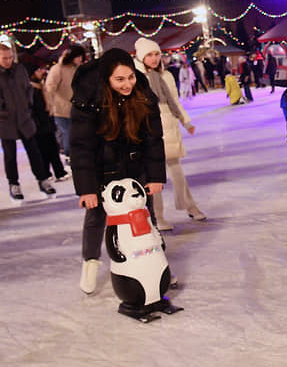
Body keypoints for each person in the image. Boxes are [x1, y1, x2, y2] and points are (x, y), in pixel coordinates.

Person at [70, 48, 167, 294]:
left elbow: (154, 137)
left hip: (135, 163)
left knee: (146, 213)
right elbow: (81, 146)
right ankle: (90, 263)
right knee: (96, 217)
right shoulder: (88, 97)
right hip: (102, 168)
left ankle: (158, 262)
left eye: (130, 77)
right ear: (107, 79)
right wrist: (87, 189)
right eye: (120, 80)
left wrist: (155, 176)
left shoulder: (142, 92)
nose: (127, 84)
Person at [134, 38, 206, 231]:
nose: (154, 58)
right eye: (149, 55)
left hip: (170, 127)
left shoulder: (165, 75)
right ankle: (157, 216)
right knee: (154, 178)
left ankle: (190, 206)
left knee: (178, 173)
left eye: (157, 54)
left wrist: (185, 121)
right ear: (141, 57)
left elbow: (174, 100)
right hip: (149, 129)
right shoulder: (136, 77)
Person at [0, 43, 56, 201]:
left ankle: (43, 179)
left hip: (24, 118)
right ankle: (14, 184)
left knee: (34, 151)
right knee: (10, 155)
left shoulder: (19, 69)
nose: (8, 61)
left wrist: (28, 104)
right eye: (4, 58)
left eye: (10, 57)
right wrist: (3, 111)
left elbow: (28, 88)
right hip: (5, 121)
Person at [28, 62, 69, 182]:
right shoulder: (31, 88)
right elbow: (33, 108)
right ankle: (47, 173)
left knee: (52, 148)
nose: (42, 72)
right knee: (43, 150)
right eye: (38, 70)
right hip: (38, 125)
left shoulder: (41, 85)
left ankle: (58, 172)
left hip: (47, 122)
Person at [44, 44, 85, 160]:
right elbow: (49, 87)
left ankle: (77, 155)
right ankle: (69, 155)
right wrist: (50, 104)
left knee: (77, 133)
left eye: (81, 57)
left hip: (76, 108)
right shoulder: (58, 69)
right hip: (61, 110)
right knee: (68, 133)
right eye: (78, 56)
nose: (80, 59)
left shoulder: (76, 69)